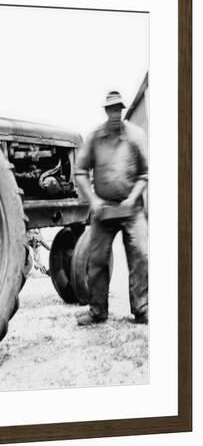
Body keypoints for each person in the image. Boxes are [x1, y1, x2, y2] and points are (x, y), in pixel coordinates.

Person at [75, 91, 148, 326]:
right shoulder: (95, 137)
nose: (115, 113)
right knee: (96, 259)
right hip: (103, 209)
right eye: (111, 109)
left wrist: (132, 197)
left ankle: (141, 308)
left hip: (132, 208)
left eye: (118, 109)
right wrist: (93, 200)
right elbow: (80, 172)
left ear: (123, 110)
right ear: (106, 111)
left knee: (140, 256)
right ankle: (97, 311)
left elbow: (145, 174)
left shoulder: (136, 135)